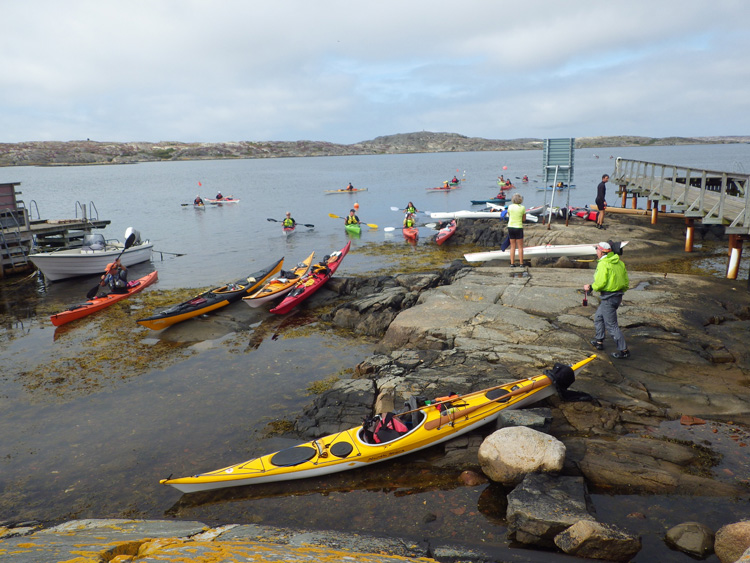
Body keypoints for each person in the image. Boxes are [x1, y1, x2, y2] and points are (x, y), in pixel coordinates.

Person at [584, 242, 630, 359]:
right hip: (617, 296)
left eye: (596, 249)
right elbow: (625, 282)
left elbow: (600, 283)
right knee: (599, 317)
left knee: (611, 325)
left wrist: (590, 287)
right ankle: (599, 341)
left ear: (602, 251)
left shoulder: (603, 264)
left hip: (608, 298)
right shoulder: (619, 263)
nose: (596, 252)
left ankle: (624, 351)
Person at [507, 193, 525, 267]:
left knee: (512, 246)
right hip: (518, 227)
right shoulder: (522, 207)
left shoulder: (510, 207)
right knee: (520, 247)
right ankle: (521, 263)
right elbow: (524, 219)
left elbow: (509, 215)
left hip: (510, 227)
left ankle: (512, 263)